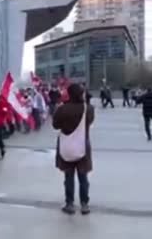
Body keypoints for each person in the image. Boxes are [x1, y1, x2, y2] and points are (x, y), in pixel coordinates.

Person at [53, 84, 95, 215]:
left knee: (68, 177)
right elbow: (90, 121)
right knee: (83, 178)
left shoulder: (62, 109)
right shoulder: (88, 109)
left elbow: (55, 125)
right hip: (83, 146)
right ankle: (84, 204)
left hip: (66, 146)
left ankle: (70, 204)